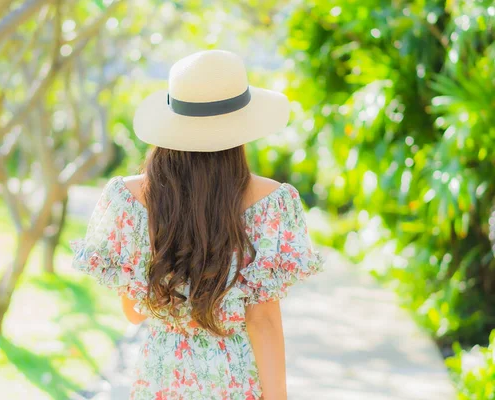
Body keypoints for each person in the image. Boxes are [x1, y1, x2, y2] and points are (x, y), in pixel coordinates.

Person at [70, 50, 325, 400]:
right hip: (234, 382)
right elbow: (262, 320)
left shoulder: (127, 198)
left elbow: (133, 313)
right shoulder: (272, 202)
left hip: (162, 380)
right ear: (243, 124)